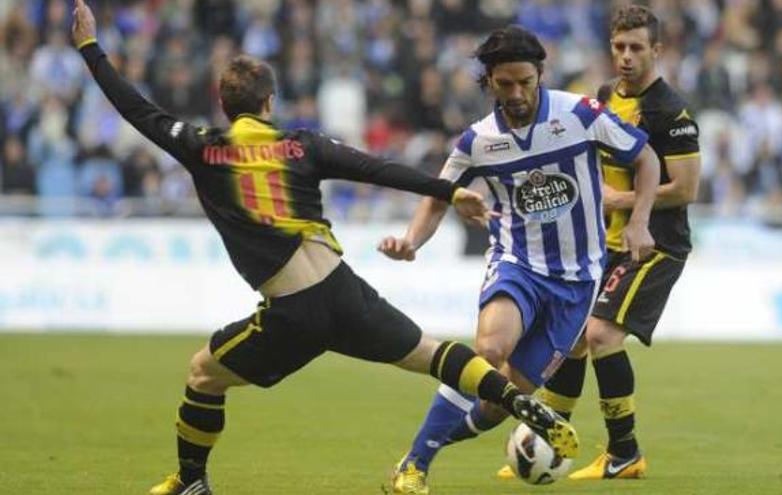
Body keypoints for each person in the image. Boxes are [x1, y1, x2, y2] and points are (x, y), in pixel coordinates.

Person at [70, 2, 578, 495]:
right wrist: (449, 191)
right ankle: (512, 396)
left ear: (225, 105)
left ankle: (190, 481)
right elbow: (378, 169)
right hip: (344, 291)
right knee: (432, 353)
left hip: (294, 310)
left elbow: (134, 107)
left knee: (204, 372)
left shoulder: (203, 147)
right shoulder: (305, 146)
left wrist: (91, 47)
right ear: (270, 104)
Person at [379, 25, 661, 494]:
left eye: (525, 83)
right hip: (518, 264)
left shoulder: (582, 114)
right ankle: (416, 467)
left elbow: (646, 158)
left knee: (499, 401)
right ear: (489, 81)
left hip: (577, 283)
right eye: (505, 84)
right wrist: (412, 240)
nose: (516, 94)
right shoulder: (478, 141)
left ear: (540, 75)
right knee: (489, 351)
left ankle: (424, 446)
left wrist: (639, 221)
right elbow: (439, 194)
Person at [507, 5, 702, 481]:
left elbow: (685, 189)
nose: (627, 57)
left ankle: (625, 453)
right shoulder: (601, 97)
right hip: (606, 245)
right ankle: (551, 442)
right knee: (572, 340)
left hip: (655, 246)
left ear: (657, 50)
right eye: (619, 47)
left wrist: (621, 199)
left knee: (601, 335)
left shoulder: (670, 112)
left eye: (637, 48)